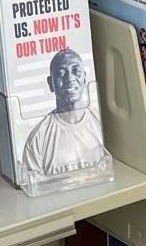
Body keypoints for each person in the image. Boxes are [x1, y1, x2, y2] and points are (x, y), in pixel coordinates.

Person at [21, 46, 106, 185]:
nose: (70, 79)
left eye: (76, 72)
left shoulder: (103, 123)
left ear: (84, 78)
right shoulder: (38, 139)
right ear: (50, 83)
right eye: (61, 74)